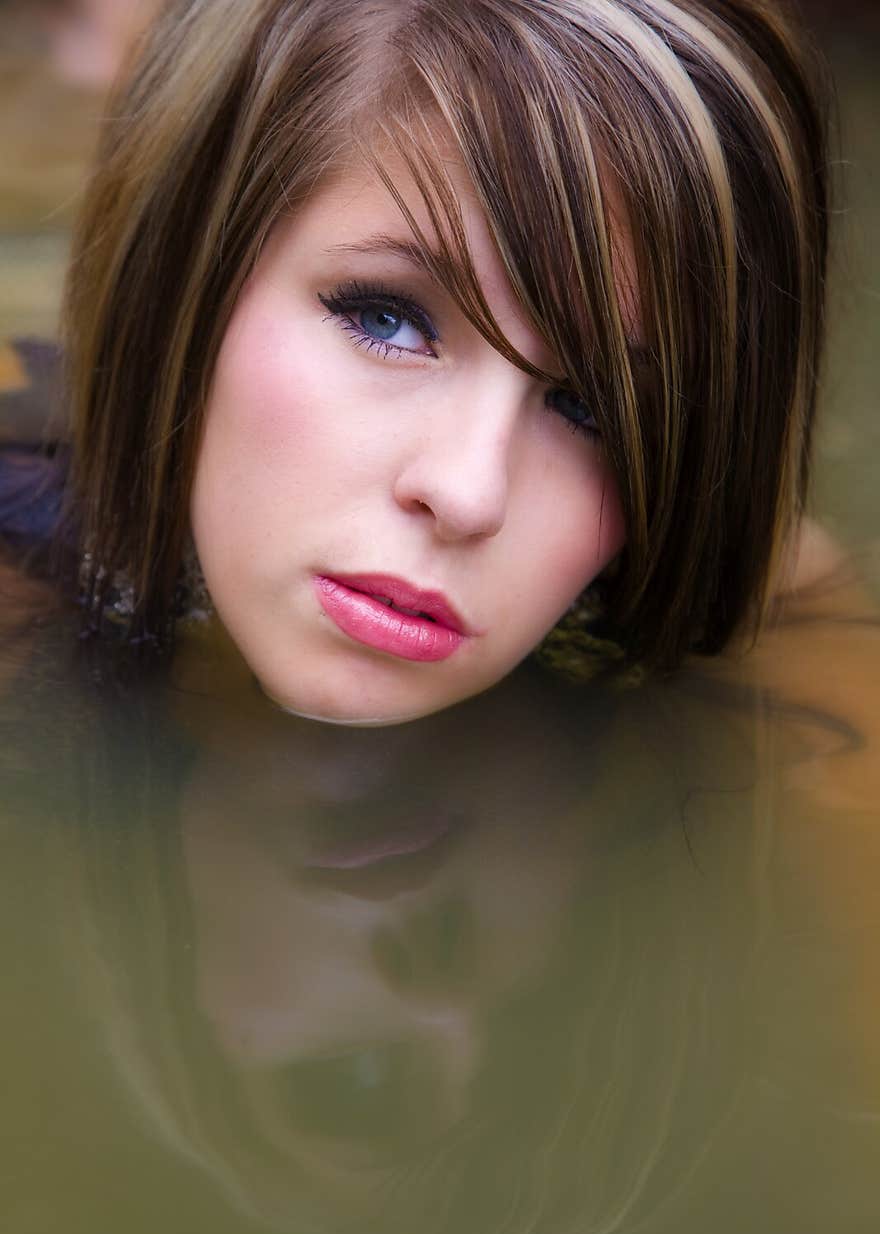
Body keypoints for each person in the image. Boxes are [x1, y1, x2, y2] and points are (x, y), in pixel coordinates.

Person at [0, 0, 853, 727]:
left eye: (595, 406)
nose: (469, 494)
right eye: (387, 319)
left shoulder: (760, 601)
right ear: (184, 266)